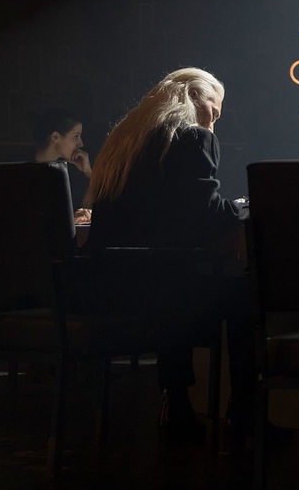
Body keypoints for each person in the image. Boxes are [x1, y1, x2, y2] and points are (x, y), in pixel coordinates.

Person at [84, 68, 247, 445]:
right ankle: (243, 414)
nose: (214, 122)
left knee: (171, 278)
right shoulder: (192, 138)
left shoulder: (120, 145)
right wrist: (245, 210)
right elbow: (206, 213)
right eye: (214, 110)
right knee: (243, 296)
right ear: (191, 96)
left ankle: (177, 400)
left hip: (107, 292)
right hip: (162, 293)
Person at [27, 107, 92, 214]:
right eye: (76, 136)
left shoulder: (72, 170)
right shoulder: (19, 166)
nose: (81, 144)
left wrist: (88, 172)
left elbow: (84, 210)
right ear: (55, 137)